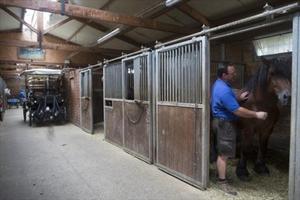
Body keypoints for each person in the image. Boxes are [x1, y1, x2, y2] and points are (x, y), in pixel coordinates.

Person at [211, 62, 268, 196]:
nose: (235, 75)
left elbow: (229, 99)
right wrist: (256, 114)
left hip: (222, 122)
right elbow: (237, 110)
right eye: (232, 73)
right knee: (224, 155)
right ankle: (222, 183)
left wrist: (237, 97)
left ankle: (222, 177)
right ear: (224, 75)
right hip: (224, 123)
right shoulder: (223, 89)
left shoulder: (220, 84)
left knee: (224, 153)